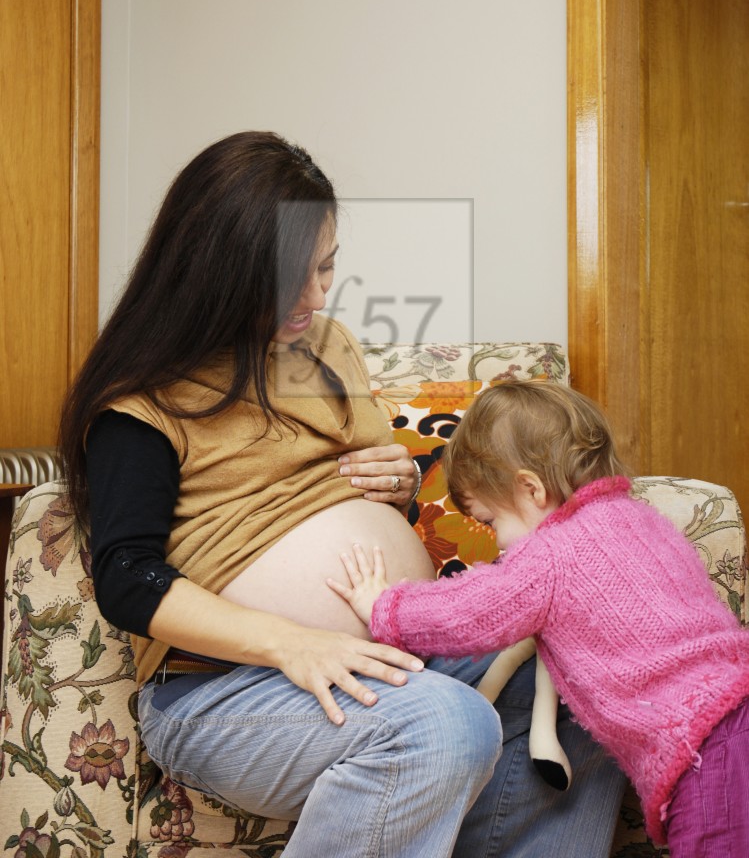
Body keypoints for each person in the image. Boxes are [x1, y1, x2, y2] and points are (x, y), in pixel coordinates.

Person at [60, 131, 625, 858]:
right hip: (224, 689)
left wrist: (394, 488)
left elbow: (362, 489)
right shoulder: (140, 403)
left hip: (393, 647)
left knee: (594, 673)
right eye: (293, 276)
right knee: (443, 723)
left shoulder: (324, 348)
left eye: (327, 268)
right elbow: (127, 579)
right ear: (216, 272)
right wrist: (292, 643)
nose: (318, 295)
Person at [328, 380, 749, 858]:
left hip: (708, 747)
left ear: (531, 489)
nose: (499, 544)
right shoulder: (644, 520)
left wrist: (384, 606)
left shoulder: (550, 555)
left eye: (491, 523)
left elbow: (468, 613)